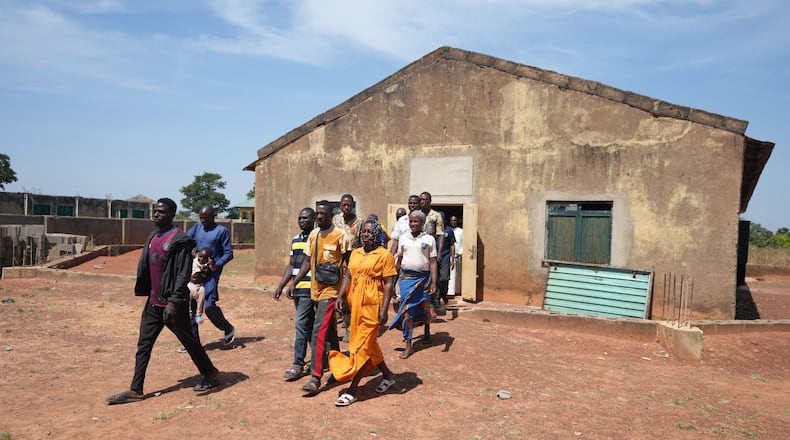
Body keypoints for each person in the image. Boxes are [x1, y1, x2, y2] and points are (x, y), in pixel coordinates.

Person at [106, 198, 220, 405]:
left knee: (188, 340)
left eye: (162, 212)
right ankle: (136, 389)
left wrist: (174, 303)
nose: (156, 214)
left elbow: (182, 273)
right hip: (153, 303)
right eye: (155, 211)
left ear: (172, 215)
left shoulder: (180, 240)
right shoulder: (153, 236)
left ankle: (210, 373)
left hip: (172, 304)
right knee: (144, 344)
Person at [328, 218, 398, 407]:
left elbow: (389, 284)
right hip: (356, 305)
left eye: (369, 232)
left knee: (362, 348)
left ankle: (352, 390)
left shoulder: (384, 256)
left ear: (376, 234)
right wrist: (341, 296)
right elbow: (348, 276)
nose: (365, 235)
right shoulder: (356, 253)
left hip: (373, 306)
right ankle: (388, 375)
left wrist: (385, 310)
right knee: (369, 344)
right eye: (363, 232)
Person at [290, 200, 352, 396]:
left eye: (323, 214)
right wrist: (295, 282)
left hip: (332, 292)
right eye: (317, 213)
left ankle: (315, 377)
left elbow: (350, 266)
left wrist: (343, 294)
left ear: (330, 215)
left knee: (318, 331)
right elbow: (307, 261)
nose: (319, 216)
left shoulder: (340, 236)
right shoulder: (314, 235)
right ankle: (340, 367)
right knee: (331, 331)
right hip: (315, 290)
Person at [274, 207, 316, 382]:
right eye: (300, 218)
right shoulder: (295, 240)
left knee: (300, 324)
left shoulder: (316, 238)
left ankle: (298, 365)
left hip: (308, 288)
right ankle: (320, 358)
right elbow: (291, 265)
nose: (302, 221)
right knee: (308, 326)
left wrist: (294, 283)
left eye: (305, 218)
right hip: (297, 288)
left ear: (313, 219)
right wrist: (281, 285)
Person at [389, 210, 438, 359]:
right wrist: (393, 281)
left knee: (424, 306)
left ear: (422, 223)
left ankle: (427, 331)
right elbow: (399, 260)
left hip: (424, 279)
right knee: (407, 311)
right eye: (411, 221)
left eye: (416, 221)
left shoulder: (429, 239)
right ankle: (409, 344)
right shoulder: (403, 238)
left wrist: (434, 282)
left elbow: (433, 262)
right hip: (406, 280)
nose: (413, 224)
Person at [187, 206, 236, 346]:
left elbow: (228, 253)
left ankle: (227, 328)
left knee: (209, 305)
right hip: (195, 272)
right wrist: (191, 248)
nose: (203, 221)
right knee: (191, 306)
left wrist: (216, 264)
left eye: (206, 218)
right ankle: (193, 343)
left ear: (213, 217)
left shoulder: (221, 231)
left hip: (211, 274)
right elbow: (186, 239)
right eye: (201, 218)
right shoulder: (197, 227)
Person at [187, 247, 216, 325]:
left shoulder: (208, 265)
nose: (202, 259)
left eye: (204, 258)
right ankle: (188, 313)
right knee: (187, 298)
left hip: (200, 285)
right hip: (191, 284)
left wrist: (211, 263)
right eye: (200, 256)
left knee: (201, 300)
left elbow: (214, 269)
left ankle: (198, 315)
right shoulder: (194, 261)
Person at [436, 212, 456, 308]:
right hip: (434, 258)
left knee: (444, 278)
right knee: (435, 279)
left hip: (445, 257)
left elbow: (452, 245)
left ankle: (444, 295)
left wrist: (452, 258)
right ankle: (436, 298)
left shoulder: (449, 230)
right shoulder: (433, 230)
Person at [448, 215, 463, 297]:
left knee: (458, 275)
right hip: (450, 255)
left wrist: (461, 252)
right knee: (451, 275)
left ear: (457, 221)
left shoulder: (461, 231)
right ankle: (450, 292)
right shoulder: (448, 231)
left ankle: (457, 291)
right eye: (451, 220)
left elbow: (464, 242)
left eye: (455, 220)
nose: (453, 222)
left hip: (458, 255)